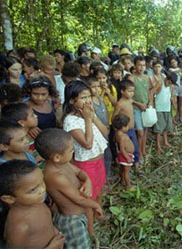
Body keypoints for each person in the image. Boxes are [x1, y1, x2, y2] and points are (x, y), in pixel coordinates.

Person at [35, 128, 103, 248]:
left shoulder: (63, 163)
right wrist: (96, 205)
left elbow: (80, 172)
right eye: (71, 150)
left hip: (79, 215)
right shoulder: (55, 176)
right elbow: (79, 199)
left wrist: (87, 181)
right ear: (57, 157)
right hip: (71, 221)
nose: (73, 152)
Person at [62, 80, 109, 237]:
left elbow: (105, 132)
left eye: (89, 96)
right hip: (86, 164)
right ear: (72, 101)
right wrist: (88, 119)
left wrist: (92, 117)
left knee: (99, 189)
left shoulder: (88, 113)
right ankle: (91, 232)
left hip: (98, 161)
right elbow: (87, 144)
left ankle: (99, 214)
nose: (88, 100)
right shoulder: (70, 120)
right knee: (89, 198)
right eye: (83, 98)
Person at [0, 160, 65, 249]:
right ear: (9, 199)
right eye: (33, 190)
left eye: (42, 182)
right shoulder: (19, 227)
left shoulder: (36, 202)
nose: (42, 189)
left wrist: (56, 232)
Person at [86, 77, 113, 177]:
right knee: (100, 155)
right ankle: (101, 177)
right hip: (96, 132)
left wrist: (107, 124)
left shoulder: (100, 99)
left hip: (105, 130)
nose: (96, 89)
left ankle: (107, 175)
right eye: (93, 87)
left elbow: (105, 111)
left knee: (107, 154)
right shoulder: (89, 102)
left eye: (98, 86)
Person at [112, 80, 140, 172]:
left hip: (131, 128)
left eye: (133, 91)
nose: (131, 93)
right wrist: (116, 130)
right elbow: (114, 117)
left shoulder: (130, 100)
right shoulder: (120, 104)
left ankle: (136, 166)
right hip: (124, 131)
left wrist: (140, 105)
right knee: (125, 149)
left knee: (135, 147)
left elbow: (133, 101)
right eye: (129, 91)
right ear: (122, 91)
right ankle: (125, 169)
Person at [151, 72, 177, 153]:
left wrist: (174, 106)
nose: (169, 84)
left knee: (166, 127)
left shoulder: (170, 87)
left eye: (171, 83)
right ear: (167, 79)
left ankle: (165, 142)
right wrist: (152, 104)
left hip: (167, 108)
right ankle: (158, 145)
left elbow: (172, 96)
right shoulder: (160, 83)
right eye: (169, 82)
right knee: (159, 129)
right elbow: (152, 92)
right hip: (159, 108)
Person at [132, 56, 151, 160]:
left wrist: (149, 103)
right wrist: (138, 104)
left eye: (143, 65)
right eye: (139, 65)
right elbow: (129, 96)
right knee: (139, 132)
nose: (141, 67)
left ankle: (143, 151)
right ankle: (138, 154)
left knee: (145, 130)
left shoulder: (147, 78)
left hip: (146, 108)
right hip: (136, 108)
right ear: (135, 65)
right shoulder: (132, 78)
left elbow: (148, 92)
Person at [112, 114, 135, 189]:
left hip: (123, 155)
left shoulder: (117, 134)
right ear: (123, 127)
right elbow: (122, 149)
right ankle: (128, 185)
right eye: (127, 126)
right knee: (126, 171)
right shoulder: (122, 137)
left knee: (123, 169)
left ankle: (122, 180)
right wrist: (127, 157)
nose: (128, 127)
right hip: (126, 155)